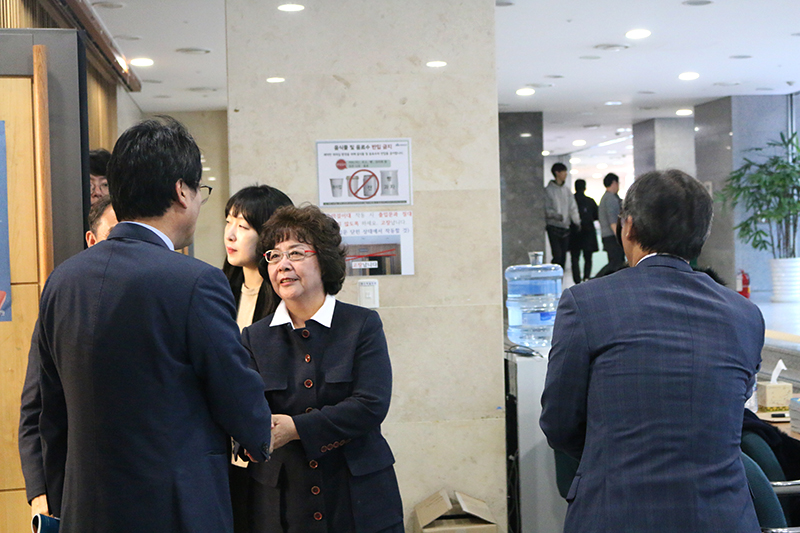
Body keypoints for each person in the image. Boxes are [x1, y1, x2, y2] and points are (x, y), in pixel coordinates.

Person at [36, 117, 273, 533]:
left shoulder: (62, 280)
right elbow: (233, 386)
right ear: (182, 191)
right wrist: (258, 436)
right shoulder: (194, 281)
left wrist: (61, 499)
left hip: (86, 508)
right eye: (199, 191)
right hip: (177, 508)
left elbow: (50, 407)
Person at [540, 169, 764, 533]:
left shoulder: (586, 303)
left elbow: (559, 424)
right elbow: (731, 410)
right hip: (722, 516)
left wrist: (614, 458)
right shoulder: (745, 314)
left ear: (627, 227)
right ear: (702, 235)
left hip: (615, 513)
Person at [240, 204, 403, 533]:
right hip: (285, 501)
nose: (283, 265)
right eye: (274, 256)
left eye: (296, 253)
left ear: (324, 260)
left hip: (358, 497)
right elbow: (246, 411)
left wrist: (295, 428)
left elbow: (371, 405)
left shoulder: (361, 324)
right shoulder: (254, 338)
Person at [18, 196, 118, 519]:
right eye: (114, 235)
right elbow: (35, 406)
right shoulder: (63, 302)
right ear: (91, 240)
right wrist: (39, 492)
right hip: (73, 492)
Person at [222, 185, 292, 533]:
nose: (231, 234)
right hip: (224, 452)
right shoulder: (216, 290)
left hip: (273, 452)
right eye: (228, 221)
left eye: (244, 226)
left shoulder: (287, 302)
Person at [545, 162, 580, 269]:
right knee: (557, 255)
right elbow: (546, 209)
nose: (565, 174)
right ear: (557, 173)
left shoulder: (567, 190)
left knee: (563, 256)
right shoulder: (548, 191)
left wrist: (576, 221)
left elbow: (572, 207)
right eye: (564, 171)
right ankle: (554, 274)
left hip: (566, 227)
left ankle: (560, 275)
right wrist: (557, 216)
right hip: (553, 226)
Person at [568, 179, 598, 283]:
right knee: (588, 258)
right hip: (588, 232)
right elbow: (596, 216)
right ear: (585, 188)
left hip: (574, 233)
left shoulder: (571, 201)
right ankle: (586, 277)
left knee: (575, 258)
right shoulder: (590, 201)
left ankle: (576, 280)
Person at [595, 172, 625, 276]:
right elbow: (613, 222)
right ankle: (596, 279)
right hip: (612, 236)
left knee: (615, 263)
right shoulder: (611, 199)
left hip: (608, 236)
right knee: (615, 263)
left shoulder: (606, 198)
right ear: (614, 183)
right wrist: (620, 237)